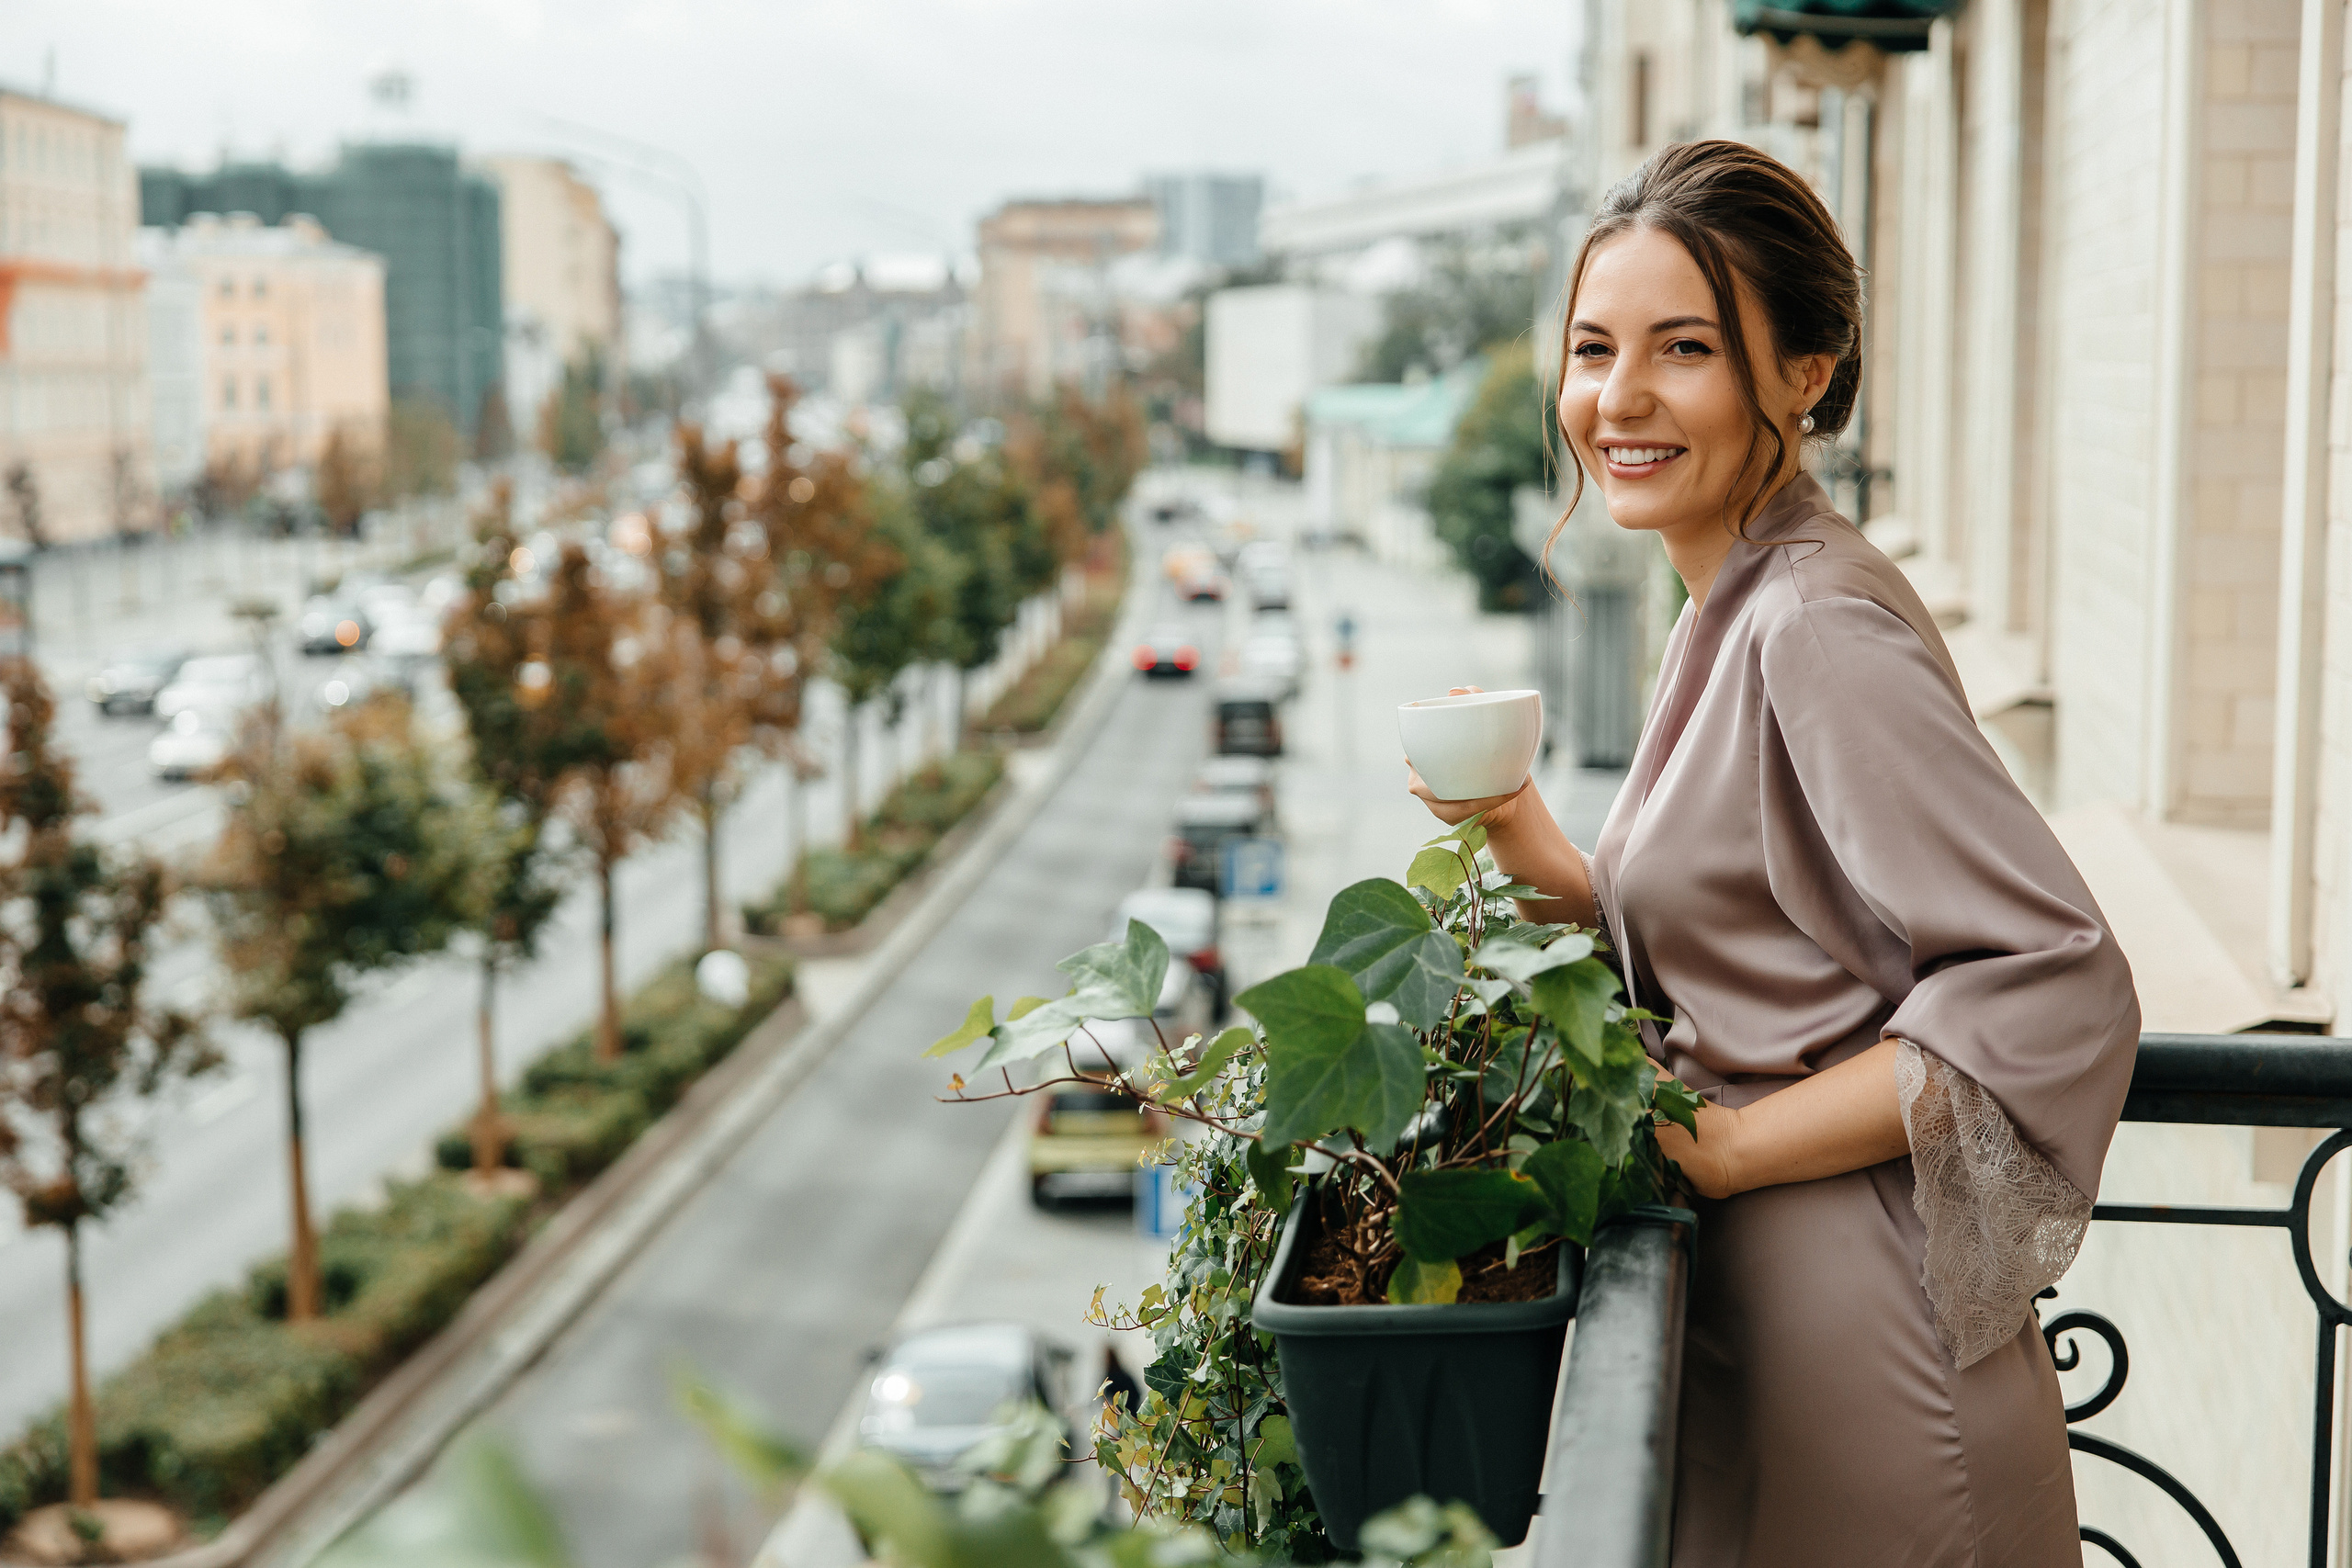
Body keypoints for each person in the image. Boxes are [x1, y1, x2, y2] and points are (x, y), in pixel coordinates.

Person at [1409, 140, 2139, 1566]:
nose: (1618, 398)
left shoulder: (1811, 621)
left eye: (1683, 349)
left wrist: (1734, 1145)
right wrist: (1521, 834)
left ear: (1802, 373)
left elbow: (2055, 974)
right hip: (1762, 1323)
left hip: (1866, 1357)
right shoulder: (1729, 599)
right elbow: (1754, 950)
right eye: (1592, 348)